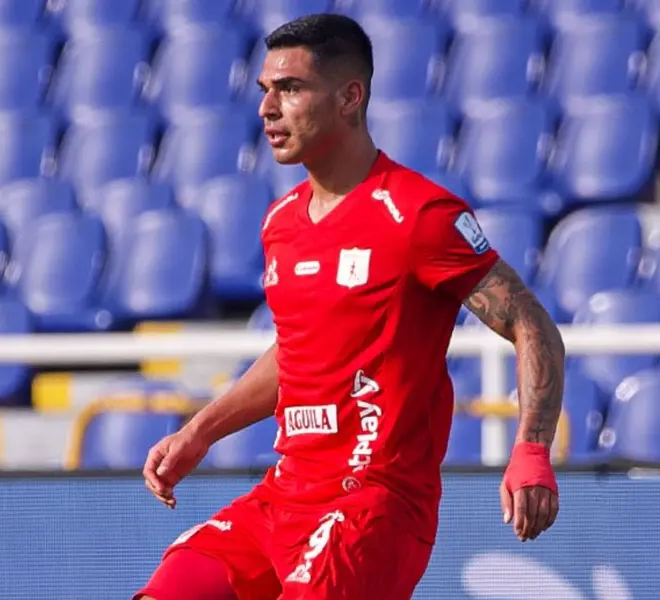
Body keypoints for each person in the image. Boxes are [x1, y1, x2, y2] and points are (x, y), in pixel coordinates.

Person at [135, 14, 565, 600]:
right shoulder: (281, 222)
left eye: (290, 89)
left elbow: (530, 322)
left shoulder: (418, 215)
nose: (267, 109)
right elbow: (297, 351)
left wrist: (532, 449)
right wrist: (199, 433)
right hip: (282, 497)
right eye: (266, 90)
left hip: (372, 504)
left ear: (349, 97)